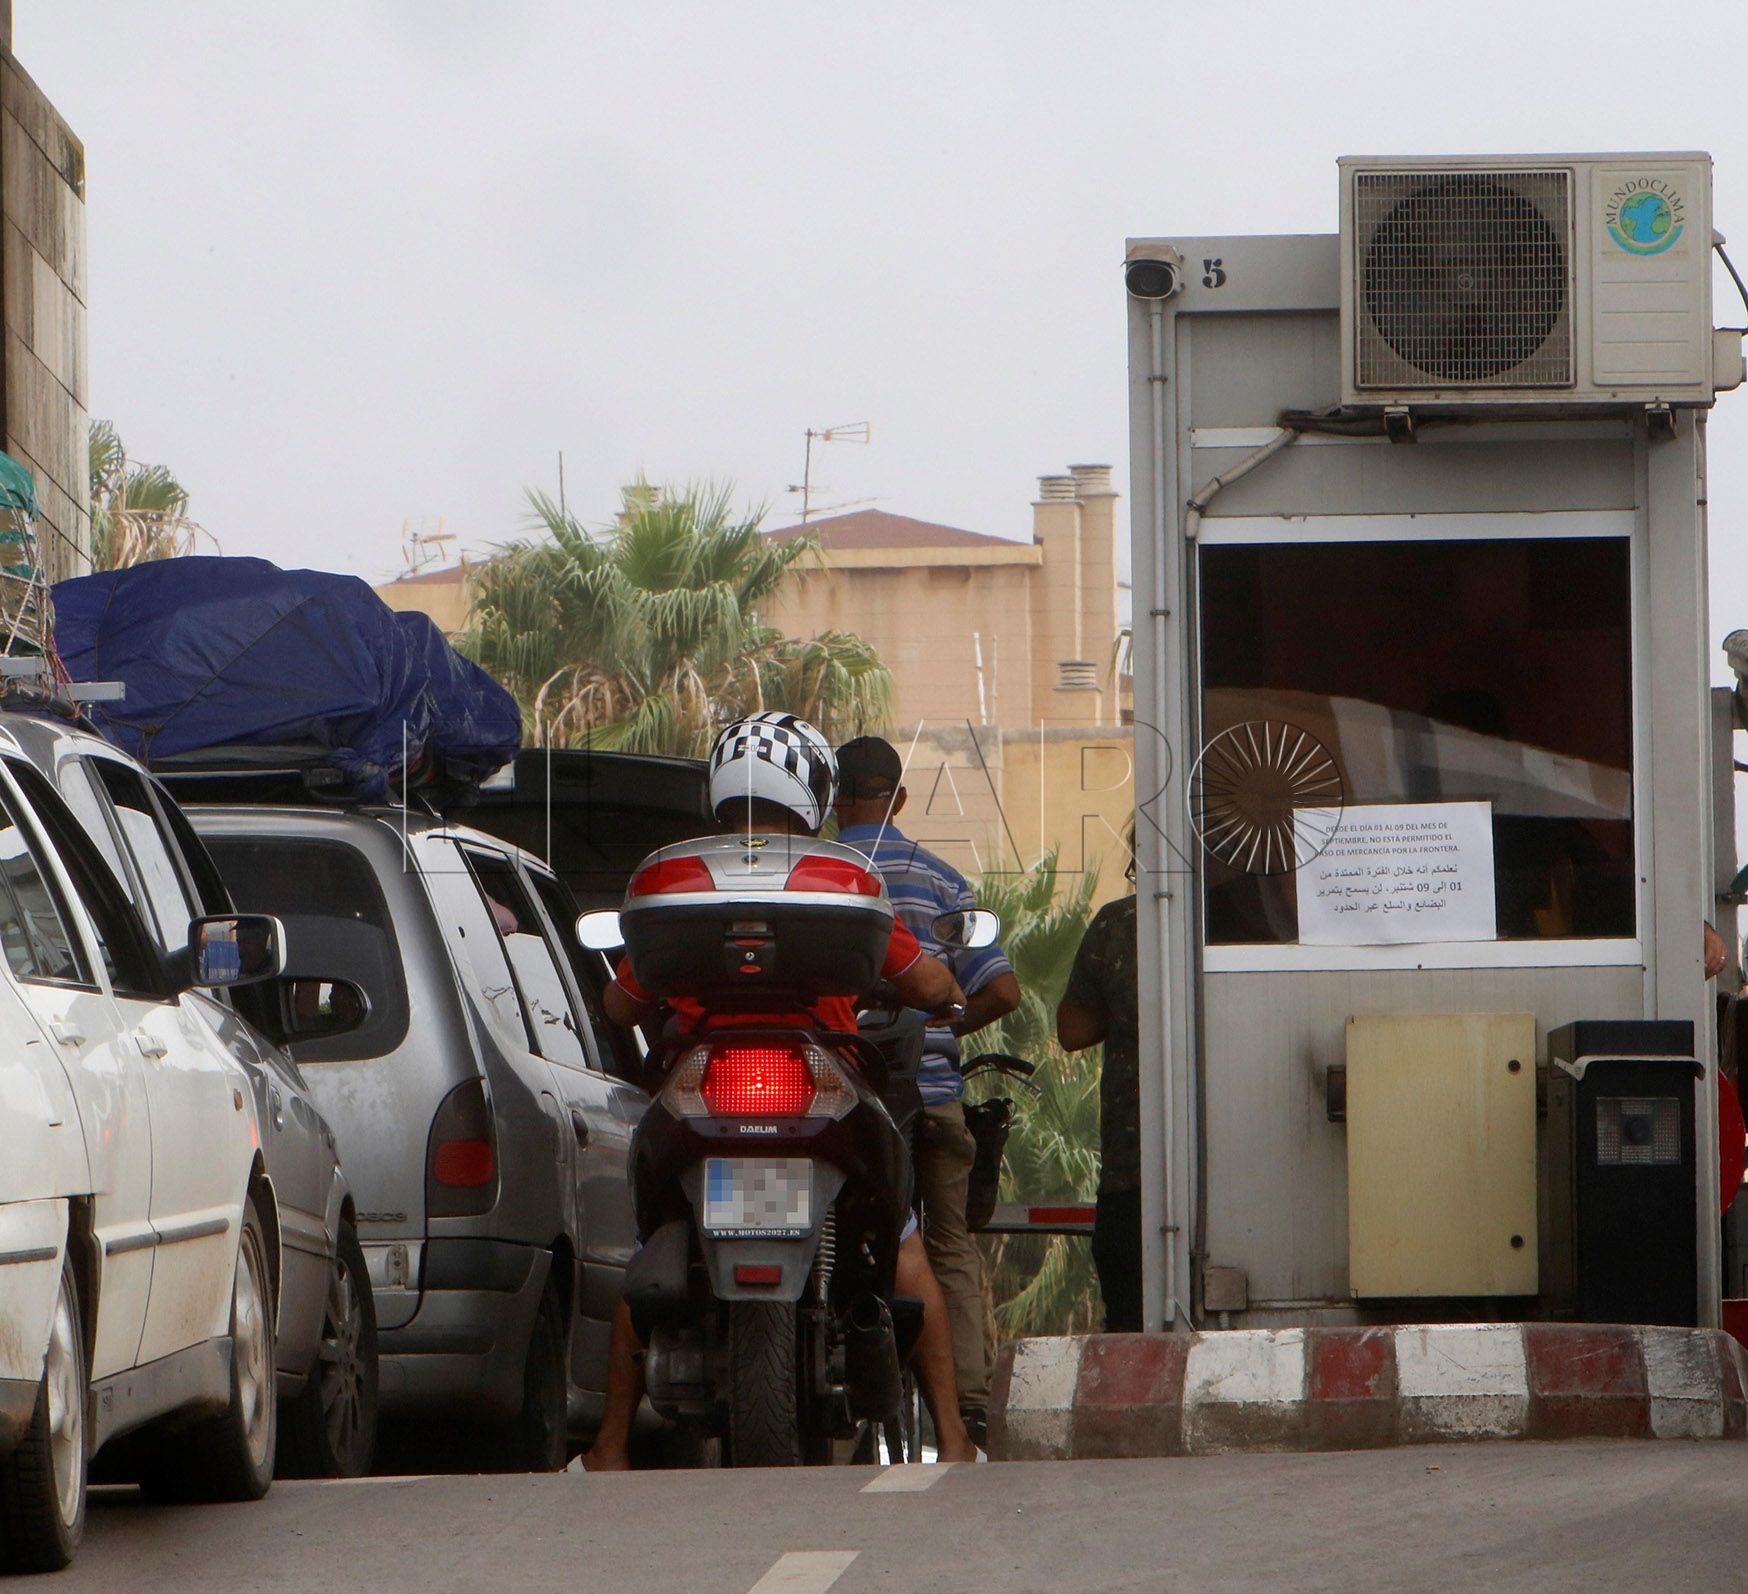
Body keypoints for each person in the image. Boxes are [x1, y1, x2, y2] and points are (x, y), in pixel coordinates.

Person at [584, 711, 978, 1469]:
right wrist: (950, 996)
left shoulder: (682, 880)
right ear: (815, 790)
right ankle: (955, 1441)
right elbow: (929, 982)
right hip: (820, 1079)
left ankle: (607, 1445)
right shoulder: (836, 883)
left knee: (653, 1244)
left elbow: (621, 1005)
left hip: (697, 1082)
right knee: (901, 1245)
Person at [832, 735, 1021, 1449]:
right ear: (899, 798)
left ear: (833, 802)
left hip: (841, 1104)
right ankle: (967, 1404)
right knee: (948, 1246)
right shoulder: (939, 880)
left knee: (841, 1244)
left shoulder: (823, 879)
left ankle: (839, 1397)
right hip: (933, 1093)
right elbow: (1002, 989)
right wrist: (944, 1023)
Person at [1056, 832, 1142, 1332]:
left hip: (1132, 1163)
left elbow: (1072, 1031)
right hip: (1230, 1165)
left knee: (1128, 1316)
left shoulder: (1116, 925)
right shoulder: (1231, 926)